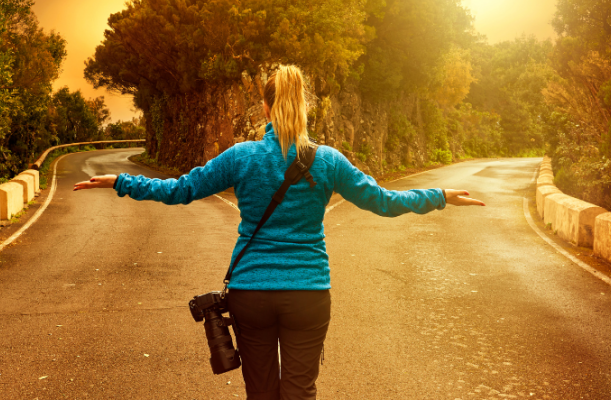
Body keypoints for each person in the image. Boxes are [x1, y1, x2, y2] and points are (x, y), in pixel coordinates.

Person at [73, 64, 485, 400]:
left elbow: (180, 190)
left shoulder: (242, 157)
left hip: (252, 294)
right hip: (308, 293)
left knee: (262, 394)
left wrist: (122, 182)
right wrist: (439, 195)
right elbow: (384, 201)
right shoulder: (328, 161)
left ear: (265, 107)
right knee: (300, 392)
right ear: (304, 107)